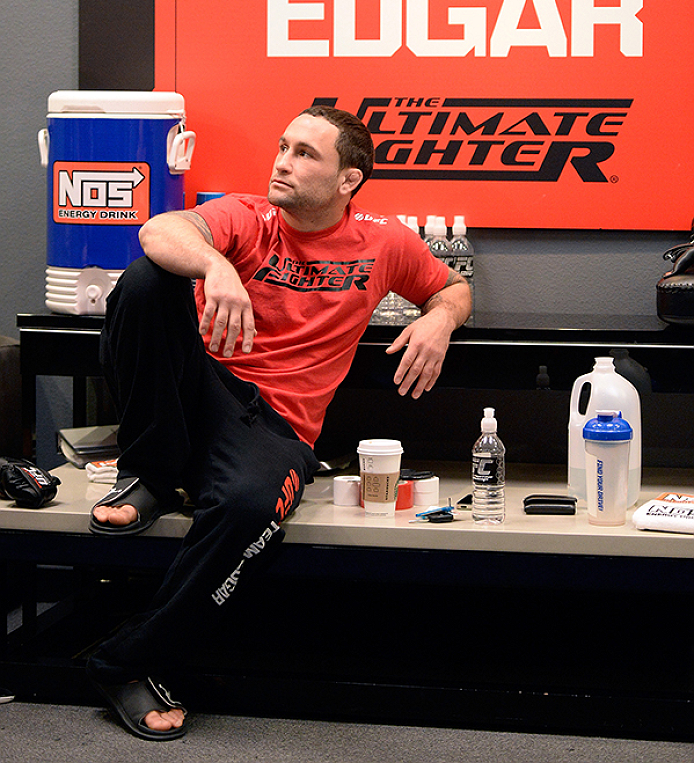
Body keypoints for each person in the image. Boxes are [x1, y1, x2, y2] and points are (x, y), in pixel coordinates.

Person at [86, 105, 471, 740]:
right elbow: (160, 230)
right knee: (147, 282)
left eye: (304, 154)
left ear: (349, 179)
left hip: (274, 427)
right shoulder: (247, 215)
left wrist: (441, 317)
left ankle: (126, 661)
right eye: (283, 146)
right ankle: (148, 474)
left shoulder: (384, 240)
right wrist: (215, 265)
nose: (283, 162)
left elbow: (452, 286)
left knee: (248, 510)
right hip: (198, 392)